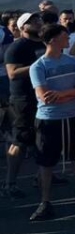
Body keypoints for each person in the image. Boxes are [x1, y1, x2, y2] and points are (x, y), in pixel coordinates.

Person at [28, 24, 75, 220]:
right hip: (49, 119)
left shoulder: (72, 61)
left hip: (73, 117)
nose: (68, 39)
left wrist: (65, 94)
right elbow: (44, 97)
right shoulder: (38, 66)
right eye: (64, 36)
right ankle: (45, 202)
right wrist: (74, 93)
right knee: (46, 163)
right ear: (52, 40)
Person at [5, 13, 44, 196]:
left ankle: (42, 175)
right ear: (22, 27)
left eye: (38, 20)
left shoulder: (43, 43)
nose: (37, 23)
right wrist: (41, 64)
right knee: (20, 140)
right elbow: (12, 73)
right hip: (23, 99)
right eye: (32, 21)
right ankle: (10, 183)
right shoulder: (17, 47)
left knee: (44, 138)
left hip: (43, 97)